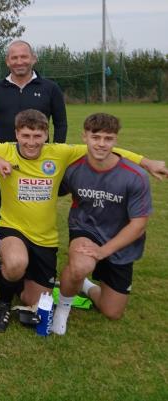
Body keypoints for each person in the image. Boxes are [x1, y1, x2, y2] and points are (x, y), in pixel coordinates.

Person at [0, 109, 166, 333]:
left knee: (35, 301)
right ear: (16, 134)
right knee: (16, 262)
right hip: (11, 228)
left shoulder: (60, 153)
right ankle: (3, 303)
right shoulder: (3, 150)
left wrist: (146, 162)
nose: (31, 142)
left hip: (45, 238)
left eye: (37, 136)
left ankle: (1, 272)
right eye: (25, 135)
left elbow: (108, 149)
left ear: (46, 135)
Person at [52, 113, 152, 335]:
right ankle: (63, 309)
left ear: (116, 140)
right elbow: (47, 191)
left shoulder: (135, 176)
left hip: (121, 240)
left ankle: (86, 286)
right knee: (80, 265)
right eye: (96, 137)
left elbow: (138, 225)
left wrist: (103, 251)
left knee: (111, 312)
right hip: (85, 229)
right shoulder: (73, 168)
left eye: (108, 138)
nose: (101, 144)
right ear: (84, 137)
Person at [0, 40, 67, 143]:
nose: (19, 62)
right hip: (4, 155)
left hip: (39, 153)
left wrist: (57, 149)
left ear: (33, 59)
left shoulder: (51, 88)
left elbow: (61, 123)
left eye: (24, 57)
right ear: (7, 61)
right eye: (14, 58)